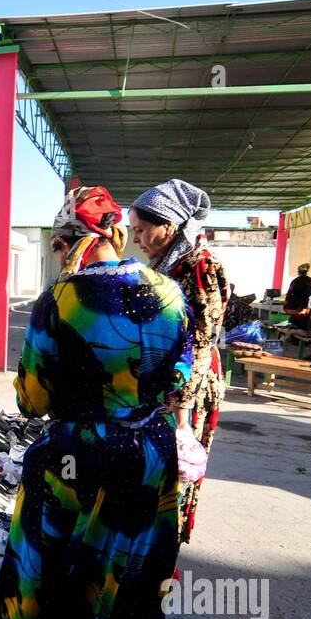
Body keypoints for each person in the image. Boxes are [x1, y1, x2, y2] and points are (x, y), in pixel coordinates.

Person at [0, 185, 193, 619]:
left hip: (77, 451)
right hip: (148, 450)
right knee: (122, 558)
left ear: (68, 242)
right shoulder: (171, 294)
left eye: (58, 246)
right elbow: (180, 375)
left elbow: (32, 399)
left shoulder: (61, 299)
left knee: (35, 550)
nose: (58, 256)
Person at [130, 179, 228, 549]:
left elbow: (202, 338)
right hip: (165, 385)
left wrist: (181, 409)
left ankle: (159, 557)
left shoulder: (200, 266)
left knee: (175, 470)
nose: (136, 238)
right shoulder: (169, 264)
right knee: (153, 472)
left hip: (186, 389)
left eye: (141, 229)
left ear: (168, 225)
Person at [283, 263, 311, 330]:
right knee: (302, 324)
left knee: (293, 323)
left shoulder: (295, 281)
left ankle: (292, 335)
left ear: (299, 272)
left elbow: (289, 293)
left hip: (294, 305)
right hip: (305, 305)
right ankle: (299, 333)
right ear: (307, 272)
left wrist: (286, 303)